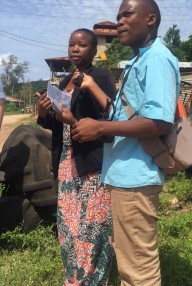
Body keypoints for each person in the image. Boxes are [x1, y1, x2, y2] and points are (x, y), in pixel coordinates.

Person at [69, 0, 181, 286]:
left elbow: (159, 121)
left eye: (127, 15)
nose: (119, 21)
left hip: (136, 178)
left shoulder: (156, 59)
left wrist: (101, 128)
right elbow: (124, 113)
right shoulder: (138, 59)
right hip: (124, 177)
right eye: (118, 16)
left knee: (138, 270)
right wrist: (97, 104)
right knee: (129, 260)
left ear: (150, 19)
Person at [36, 28, 116, 286]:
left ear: (94, 51)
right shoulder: (65, 80)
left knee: (92, 226)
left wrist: (74, 121)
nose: (75, 49)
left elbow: (111, 120)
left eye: (82, 45)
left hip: (91, 162)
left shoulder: (100, 77)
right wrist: (44, 111)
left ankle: (92, 279)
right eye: (72, 44)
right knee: (69, 226)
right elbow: (54, 125)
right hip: (67, 161)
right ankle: (74, 277)